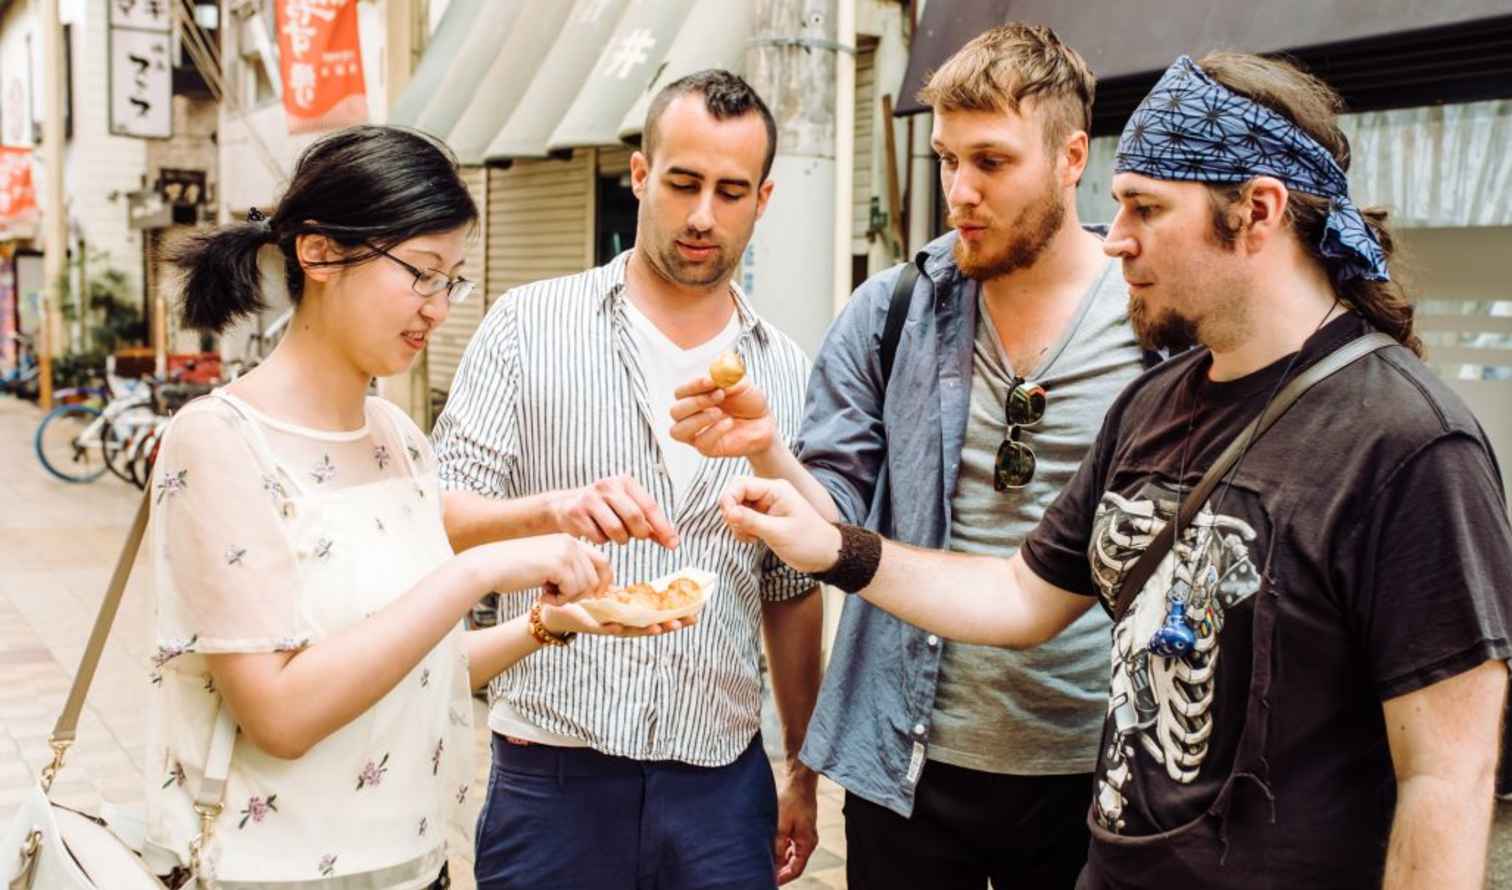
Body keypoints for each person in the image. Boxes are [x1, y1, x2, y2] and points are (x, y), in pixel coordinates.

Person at [717, 53, 1512, 890]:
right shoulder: (1156, 403)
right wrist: (833, 547)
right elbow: (1021, 599)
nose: (1117, 234)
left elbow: (1447, 778)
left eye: (1146, 207)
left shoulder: (1411, 446)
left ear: (1258, 212)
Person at [670, 24, 1148, 888]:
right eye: (945, 159)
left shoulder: (1153, 326)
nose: (960, 191)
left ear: (1073, 156)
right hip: (909, 765)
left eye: (992, 163)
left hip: (1100, 768)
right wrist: (766, 447)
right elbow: (836, 531)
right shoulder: (893, 312)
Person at [148, 126, 686, 890]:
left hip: (416, 866)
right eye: (421, 274)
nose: (438, 308)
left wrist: (548, 624)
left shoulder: (396, 438)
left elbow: (414, 670)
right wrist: (478, 574)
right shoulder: (219, 441)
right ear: (321, 252)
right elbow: (281, 714)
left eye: (452, 281)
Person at [431, 70, 823, 889]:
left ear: (765, 197)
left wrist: (804, 773)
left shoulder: (786, 372)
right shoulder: (526, 325)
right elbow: (437, 515)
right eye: (682, 183)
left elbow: (791, 588)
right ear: (639, 175)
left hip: (720, 781)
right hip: (552, 772)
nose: (703, 215)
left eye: (731, 190)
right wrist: (549, 514)